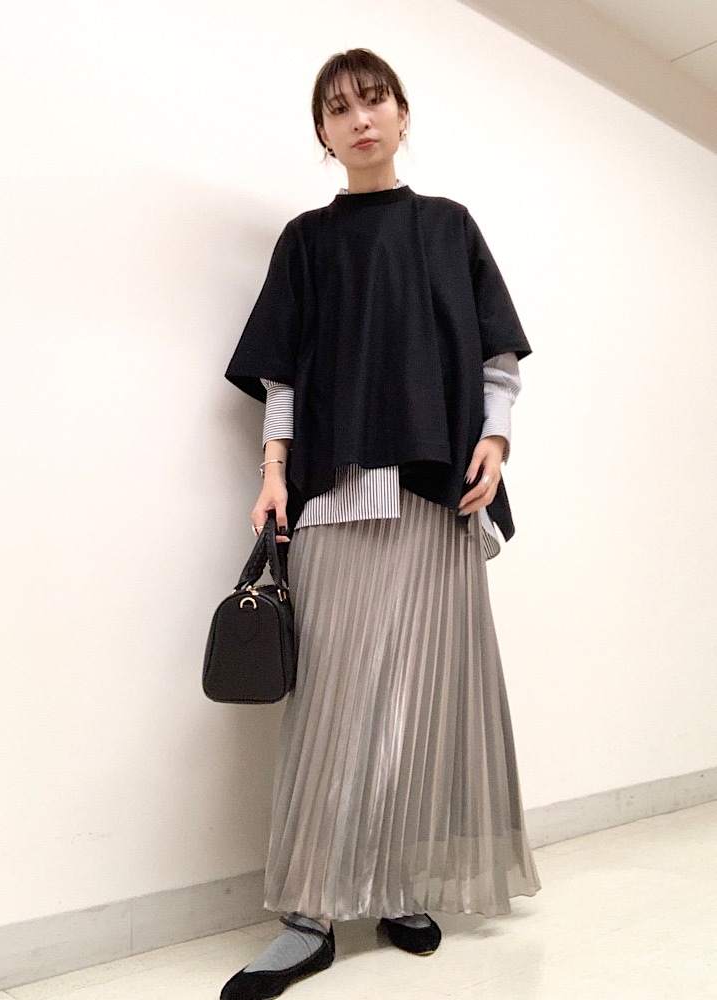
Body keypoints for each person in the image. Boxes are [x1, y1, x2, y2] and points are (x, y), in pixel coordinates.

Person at [221, 47, 541, 1000]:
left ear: (403, 114)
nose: (359, 118)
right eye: (338, 108)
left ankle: (398, 889)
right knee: (330, 705)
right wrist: (274, 474)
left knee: (419, 703)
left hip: (437, 499)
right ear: (322, 135)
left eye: (373, 100)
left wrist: (496, 443)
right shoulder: (307, 241)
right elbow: (281, 376)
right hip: (333, 496)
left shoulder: (448, 227)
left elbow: (497, 358)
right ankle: (311, 915)